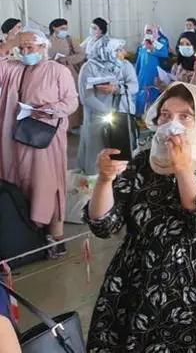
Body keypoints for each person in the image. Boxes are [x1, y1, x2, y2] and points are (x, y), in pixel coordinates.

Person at [84, 82, 196, 351]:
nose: (171, 125)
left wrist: (182, 168)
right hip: (137, 280)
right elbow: (104, 225)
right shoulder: (143, 163)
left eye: (184, 117)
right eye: (165, 116)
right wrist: (105, 180)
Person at [0, 28, 78, 258]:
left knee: (46, 185)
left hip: (45, 140)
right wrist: (10, 44)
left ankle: (55, 237)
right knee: (18, 181)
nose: (25, 52)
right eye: (21, 48)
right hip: (15, 139)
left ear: (43, 47)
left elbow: (71, 102)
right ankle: (27, 234)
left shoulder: (58, 71)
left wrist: (48, 110)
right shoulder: (13, 68)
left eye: (30, 47)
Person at [77, 37, 139, 176]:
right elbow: (86, 97)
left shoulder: (125, 65)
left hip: (123, 114)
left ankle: (123, 180)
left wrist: (117, 89)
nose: (123, 53)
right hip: (98, 116)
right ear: (107, 51)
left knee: (123, 148)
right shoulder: (89, 68)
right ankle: (97, 181)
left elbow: (134, 86)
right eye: (119, 50)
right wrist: (109, 112)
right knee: (97, 149)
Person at [48, 18, 87, 132]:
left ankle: (72, 125)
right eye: (62, 28)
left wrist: (66, 59)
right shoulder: (46, 40)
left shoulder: (70, 40)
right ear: (54, 28)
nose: (64, 31)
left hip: (68, 71)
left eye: (65, 28)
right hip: (51, 72)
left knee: (70, 96)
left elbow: (81, 55)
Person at [134, 24, 169, 116]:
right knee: (141, 95)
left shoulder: (161, 42)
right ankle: (139, 115)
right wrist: (135, 74)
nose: (149, 33)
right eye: (147, 31)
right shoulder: (142, 45)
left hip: (155, 74)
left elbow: (165, 54)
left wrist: (153, 48)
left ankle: (152, 116)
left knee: (153, 94)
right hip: (142, 75)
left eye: (151, 31)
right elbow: (138, 61)